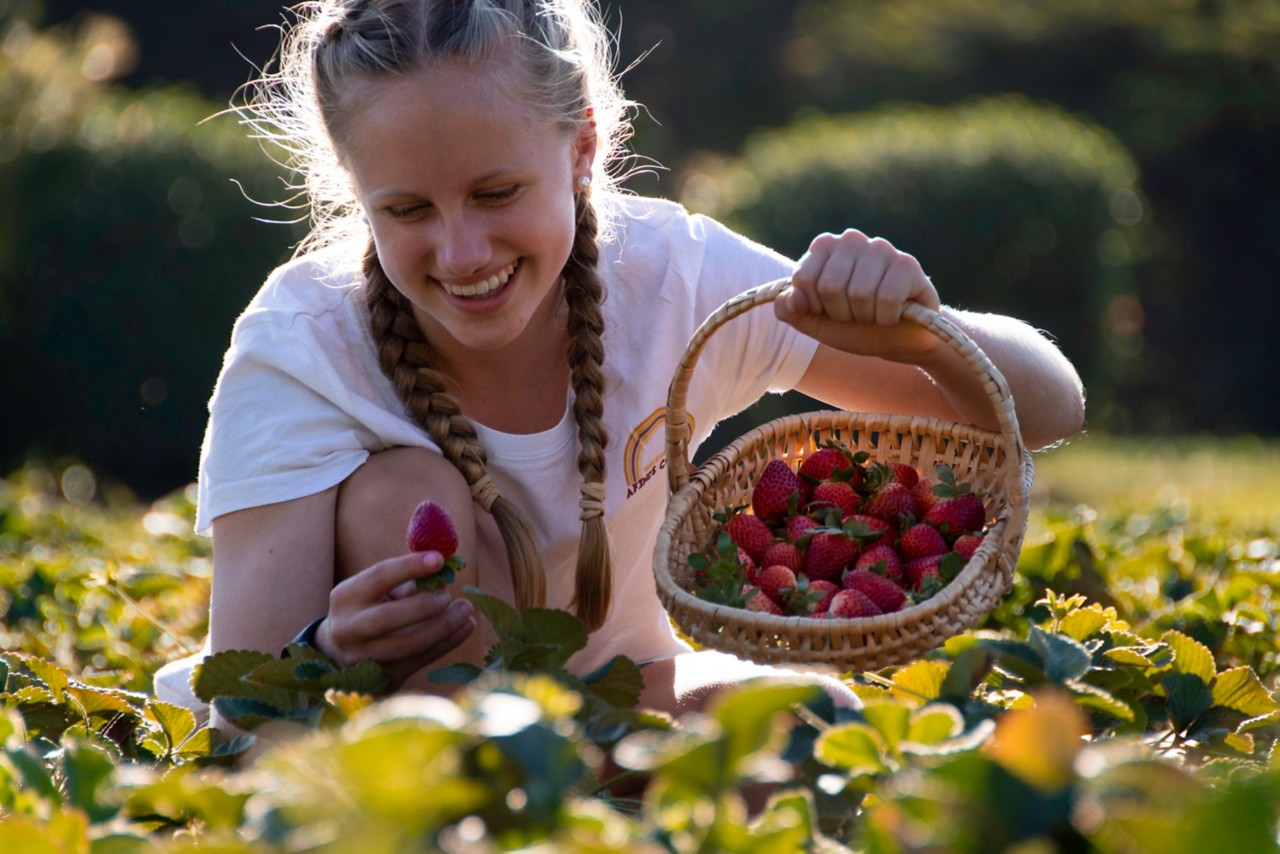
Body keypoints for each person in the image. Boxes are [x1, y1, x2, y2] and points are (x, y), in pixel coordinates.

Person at [154, 0, 1084, 724]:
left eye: (496, 192)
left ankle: (586, 799)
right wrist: (328, 649)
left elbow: (1044, 410)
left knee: (811, 724)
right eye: (407, 211)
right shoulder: (303, 342)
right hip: (396, 739)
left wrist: (913, 328)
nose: (463, 249)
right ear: (358, 195)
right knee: (408, 493)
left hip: (621, 707)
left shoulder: (674, 275)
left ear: (583, 149)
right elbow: (248, 716)